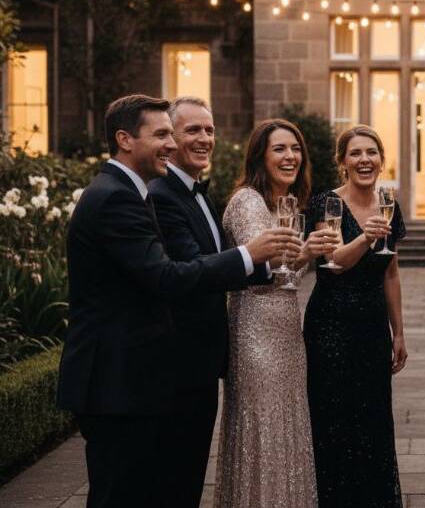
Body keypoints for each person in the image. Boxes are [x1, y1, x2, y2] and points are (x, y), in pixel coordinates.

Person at [57, 95, 297, 508]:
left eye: (174, 133)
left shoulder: (136, 192)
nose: (170, 144)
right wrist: (249, 253)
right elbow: (166, 276)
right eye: (162, 134)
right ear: (125, 139)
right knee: (122, 494)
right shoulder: (117, 197)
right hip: (117, 379)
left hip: (139, 376)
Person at [148, 97, 273, 508]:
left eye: (210, 130)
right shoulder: (162, 195)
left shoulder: (200, 193)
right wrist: (252, 255)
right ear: (169, 139)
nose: (205, 139)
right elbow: (191, 267)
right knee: (173, 480)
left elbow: (225, 263)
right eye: (192, 130)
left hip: (202, 362)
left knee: (189, 478)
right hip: (177, 364)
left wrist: (271, 264)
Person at [213, 118, 337, 508]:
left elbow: (287, 276)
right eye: (280, 149)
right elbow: (264, 271)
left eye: (295, 149)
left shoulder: (287, 206)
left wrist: (306, 253)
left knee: (287, 425)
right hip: (255, 332)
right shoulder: (247, 201)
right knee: (263, 429)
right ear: (260, 156)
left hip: (286, 330)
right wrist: (308, 252)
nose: (290, 157)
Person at [303, 125, 407, 508]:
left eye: (372, 153)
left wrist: (398, 332)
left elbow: (391, 273)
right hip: (330, 325)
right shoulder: (326, 204)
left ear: (382, 159)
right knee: (334, 420)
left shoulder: (389, 204)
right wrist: (366, 236)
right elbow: (331, 264)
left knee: (373, 421)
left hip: (370, 326)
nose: (365, 160)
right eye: (356, 154)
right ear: (342, 162)